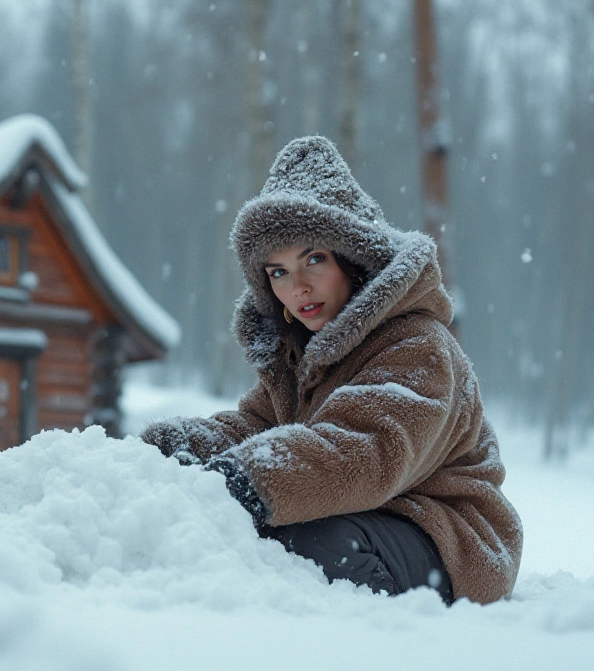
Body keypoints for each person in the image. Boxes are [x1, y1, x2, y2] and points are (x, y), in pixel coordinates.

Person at [141, 136, 522, 605]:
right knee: (273, 532)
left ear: (354, 257)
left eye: (313, 259)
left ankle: (372, 644)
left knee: (314, 544)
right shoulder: (302, 355)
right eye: (277, 272)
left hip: (449, 535)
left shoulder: (418, 345)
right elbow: (258, 426)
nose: (297, 287)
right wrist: (168, 453)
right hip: (358, 509)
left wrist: (243, 479)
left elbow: (367, 447)